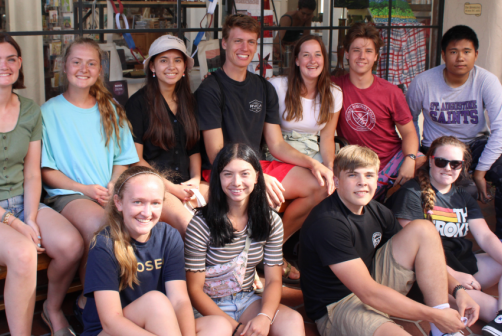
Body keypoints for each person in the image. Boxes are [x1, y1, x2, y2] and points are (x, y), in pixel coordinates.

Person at [0, 33, 83, 336]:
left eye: (10, 59)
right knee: (23, 252)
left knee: (72, 245)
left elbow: (32, 174)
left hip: (25, 203)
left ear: (19, 63)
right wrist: (14, 223)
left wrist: (30, 217)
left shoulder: (30, 110)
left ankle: (52, 308)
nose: (3, 66)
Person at [195, 13, 334, 283]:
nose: (244, 48)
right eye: (237, 41)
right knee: (245, 190)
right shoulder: (210, 89)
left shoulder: (262, 87)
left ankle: (270, 250)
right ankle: (260, 257)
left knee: (319, 185)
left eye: (250, 42)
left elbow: (277, 144)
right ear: (224, 44)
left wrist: (313, 163)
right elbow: (216, 152)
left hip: (258, 165)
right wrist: (256, 175)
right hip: (221, 170)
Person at [298, 145, 480, 336]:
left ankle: (442, 331)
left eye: (369, 175)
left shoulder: (376, 210)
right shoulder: (327, 222)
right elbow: (368, 293)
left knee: (423, 229)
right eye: (352, 175)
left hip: (372, 283)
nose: (362, 182)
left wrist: (458, 290)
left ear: (377, 180)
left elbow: (423, 258)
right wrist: (434, 315)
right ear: (337, 181)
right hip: (337, 306)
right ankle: (440, 320)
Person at [40, 38, 139, 320]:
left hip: (107, 191)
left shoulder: (110, 109)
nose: (83, 68)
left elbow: (122, 159)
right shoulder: (48, 113)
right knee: (101, 227)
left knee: (143, 222)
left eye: (91, 63)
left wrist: (112, 184)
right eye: (76, 62)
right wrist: (83, 188)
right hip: (68, 194)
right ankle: (92, 306)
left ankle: (119, 300)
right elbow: (46, 170)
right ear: (64, 66)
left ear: (99, 70)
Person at [81, 166, 231, 336]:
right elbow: (111, 322)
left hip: (159, 324)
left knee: (219, 325)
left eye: (155, 203)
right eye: (138, 202)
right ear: (119, 202)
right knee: (156, 302)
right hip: (112, 331)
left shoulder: (169, 236)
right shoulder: (104, 245)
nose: (147, 212)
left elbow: (179, 301)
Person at [389, 136, 502, 335]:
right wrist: (455, 277)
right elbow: (414, 253)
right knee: (490, 308)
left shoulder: (462, 195)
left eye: (455, 164)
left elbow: (485, 237)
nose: (448, 168)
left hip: (465, 267)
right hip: (434, 279)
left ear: (462, 167)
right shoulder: (412, 193)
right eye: (441, 161)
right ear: (431, 160)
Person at [406, 25, 502, 246]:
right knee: (463, 189)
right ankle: (452, 247)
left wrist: (481, 171)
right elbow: (408, 122)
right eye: (454, 51)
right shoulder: (423, 82)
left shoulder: (486, 81)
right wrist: (416, 153)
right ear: (443, 55)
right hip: (438, 146)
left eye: (467, 51)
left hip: (475, 144)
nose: (460, 57)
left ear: (476, 54)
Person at [185, 143, 305, 336]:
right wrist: (237, 329)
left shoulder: (270, 220)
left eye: (244, 174)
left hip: (246, 299)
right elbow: (194, 290)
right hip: (208, 307)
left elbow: (274, 280)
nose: (236, 182)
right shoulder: (201, 224)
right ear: (218, 177)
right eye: (227, 174)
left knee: (293, 320)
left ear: (257, 176)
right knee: (219, 331)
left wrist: (264, 317)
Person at [126, 35, 206, 238]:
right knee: (191, 228)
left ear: (185, 67)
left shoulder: (190, 101)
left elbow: (193, 147)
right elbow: (136, 159)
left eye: (177, 60)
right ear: (152, 67)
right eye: (164, 60)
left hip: (187, 184)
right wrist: (171, 188)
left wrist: (196, 179)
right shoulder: (138, 104)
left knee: (231, 211)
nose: (172, 66)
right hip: (155, 187)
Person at [332, 22, 423, 201]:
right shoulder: (334, 87)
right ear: (347, 54)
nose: (362, 56)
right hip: (359, 164)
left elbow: (409, 133)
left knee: (427, 164)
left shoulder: (391, 92)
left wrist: (410, 159)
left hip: (392, 158)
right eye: (356, 50)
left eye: (368, 51)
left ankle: (400, 209)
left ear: (376, 57)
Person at [268, 34, 343, 169]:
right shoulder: (277, 86)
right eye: (306, 55)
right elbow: (274, 142)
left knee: (332, 182)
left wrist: (330, 168)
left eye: (318, 55)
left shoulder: (334, 93)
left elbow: (327, 138)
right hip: (282, 153)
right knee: (314, 183)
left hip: (312, 151)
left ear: (324, 59)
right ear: (297, 60)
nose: (312, 60)